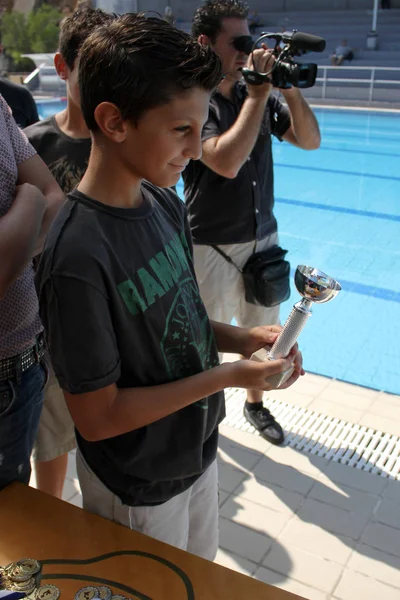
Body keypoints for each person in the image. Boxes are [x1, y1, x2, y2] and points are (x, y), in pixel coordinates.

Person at [36, 13, 304, 560]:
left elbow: (175, 319)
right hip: (136, 484)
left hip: (195, 450)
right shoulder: (77, 256)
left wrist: (241, 340)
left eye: (198, 126)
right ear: (113, 121)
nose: (193, 146)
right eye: (181, 130)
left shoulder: (162, 201)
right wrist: (228, 376)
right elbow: (99, 415)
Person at [183, 0, 320, 445]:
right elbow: (223, 161)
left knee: (265, 338)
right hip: (211, 245)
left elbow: (310, 141)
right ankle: (199, 413)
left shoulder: (252, 94)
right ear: (205, 43)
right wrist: (260, 96)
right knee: (205, 341)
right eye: (237, 42)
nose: (246, 51)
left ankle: (255, 404)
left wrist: (288, 88)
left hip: (263, 242)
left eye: (249, 40)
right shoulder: (191, 100)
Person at [25, 7, 115, 500]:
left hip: (115, 330)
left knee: (106, 461)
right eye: (94, 66)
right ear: (63, 67)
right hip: (52, 333)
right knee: (52, 453)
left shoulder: (127, 144)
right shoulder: (31, 145)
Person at [0, 95, 63, 491]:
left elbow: (55, 196)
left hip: (25, 367)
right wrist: (30, 197)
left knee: (16, 517)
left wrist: (12, 247)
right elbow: (42, 194)